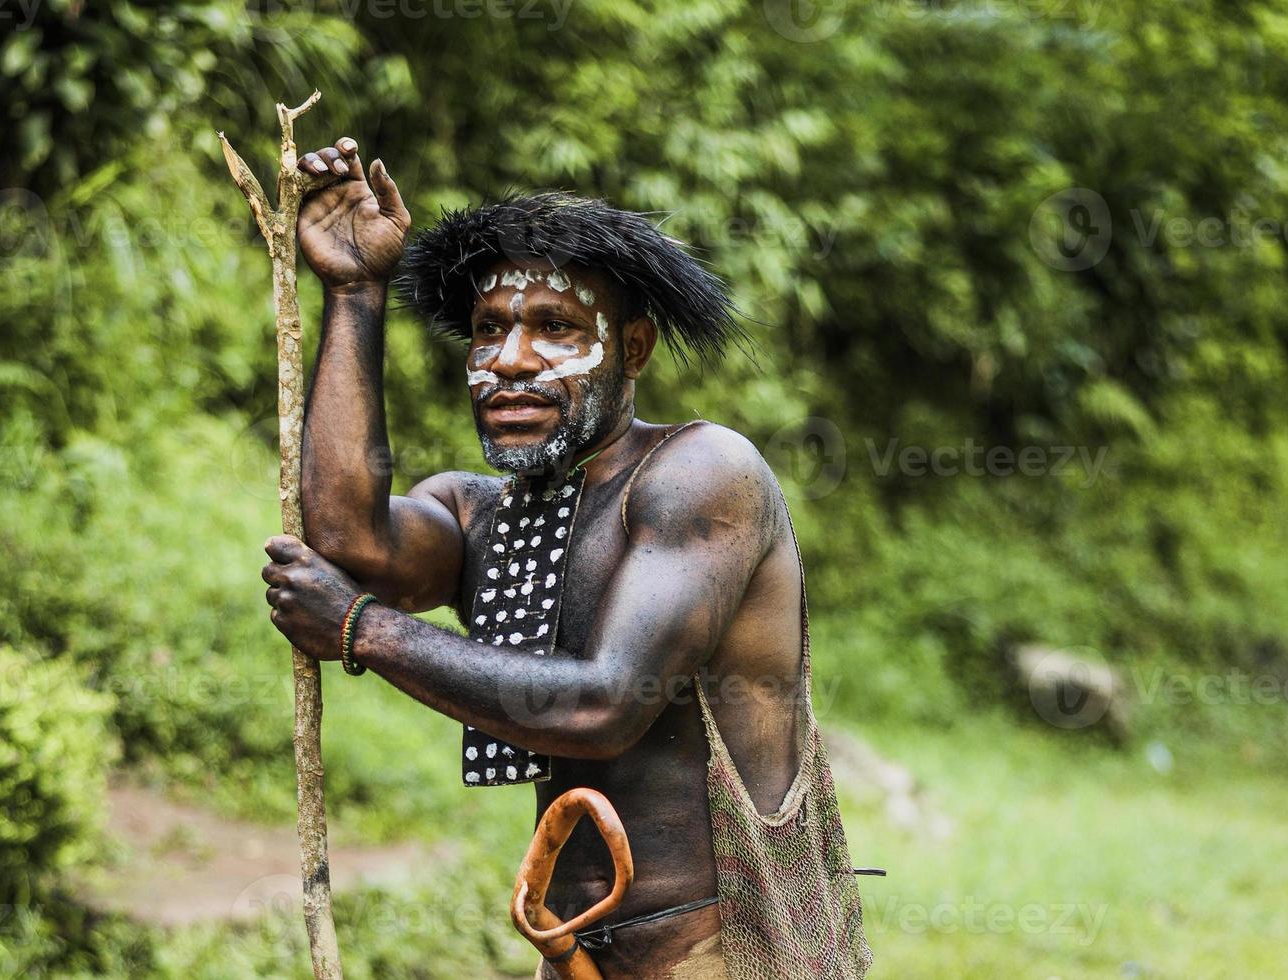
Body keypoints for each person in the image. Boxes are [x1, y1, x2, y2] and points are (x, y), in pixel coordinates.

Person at [260, 136, 875, 979]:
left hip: (726, 955)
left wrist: (362, 631)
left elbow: (605, 706)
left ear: (634, 349)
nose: (510, 363)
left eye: (555, 328)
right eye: (488, 332)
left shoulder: (703, 474)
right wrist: (355, 290)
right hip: (577, 953)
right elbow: (348, 542)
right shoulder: (480, 511)